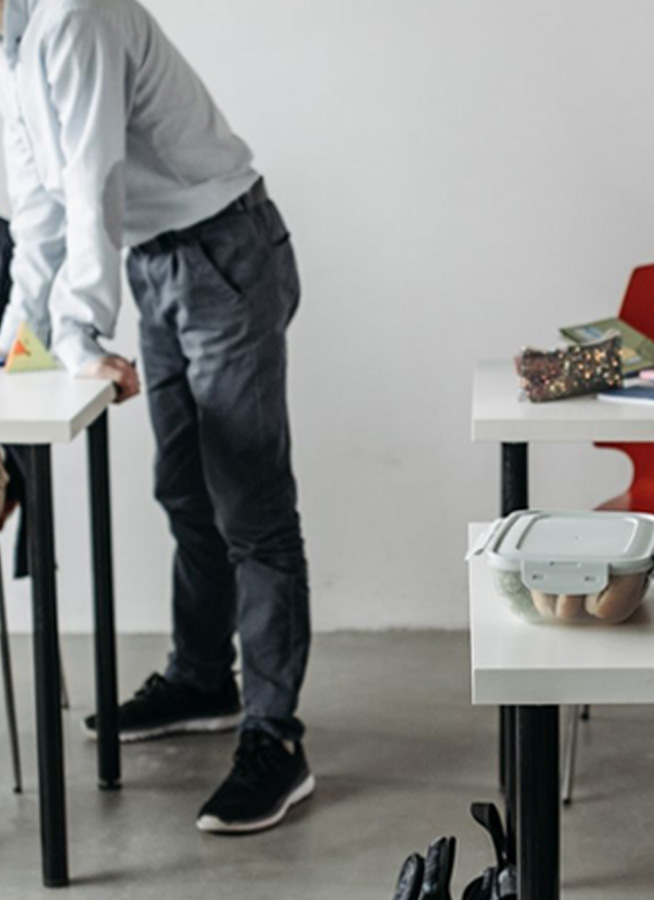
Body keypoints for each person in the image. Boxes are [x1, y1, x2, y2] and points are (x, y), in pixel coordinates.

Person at [0, 0, 312, 834]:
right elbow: (36, 200)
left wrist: (75, 327)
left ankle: (277, 741)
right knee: (184, 490)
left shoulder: (75, 16)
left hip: (223, 251)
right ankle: (204, 677)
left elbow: (91, 175)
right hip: (158, 262)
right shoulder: (14, 36)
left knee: (250, 506)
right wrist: (17, 331)